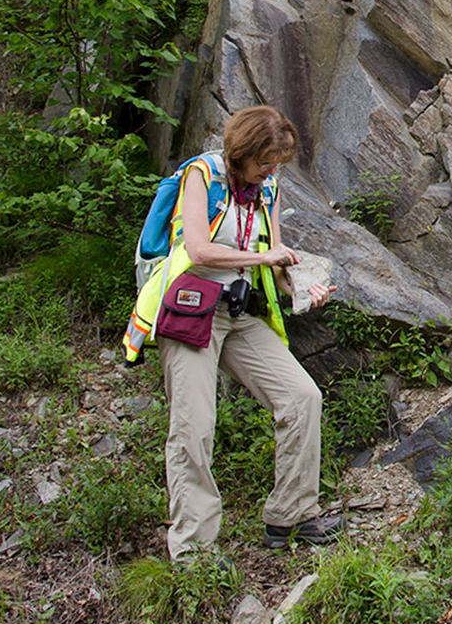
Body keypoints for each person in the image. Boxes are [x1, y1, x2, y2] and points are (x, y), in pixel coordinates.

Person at [147, 105, 342, 559]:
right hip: (192, 311)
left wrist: (302, 289)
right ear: (241, 152)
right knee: (194, 425)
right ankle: (193, 550)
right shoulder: (202, 174)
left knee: (301, 397)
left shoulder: (266, 186)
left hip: (237, 312)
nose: (272, 171)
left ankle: (291, 516)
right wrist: (264, 261)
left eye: (278, 163)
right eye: (265, 162)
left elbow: (272, 258)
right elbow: (197, 248)